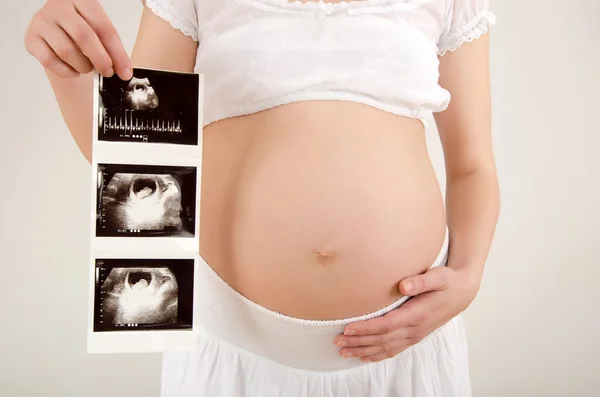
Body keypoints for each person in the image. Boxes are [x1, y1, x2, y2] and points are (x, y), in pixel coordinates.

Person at [24, 0, 500, 395]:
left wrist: (469, 276)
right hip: (232, 358)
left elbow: (472, 166)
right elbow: (139, 158)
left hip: (402, 356)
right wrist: (62, 67)